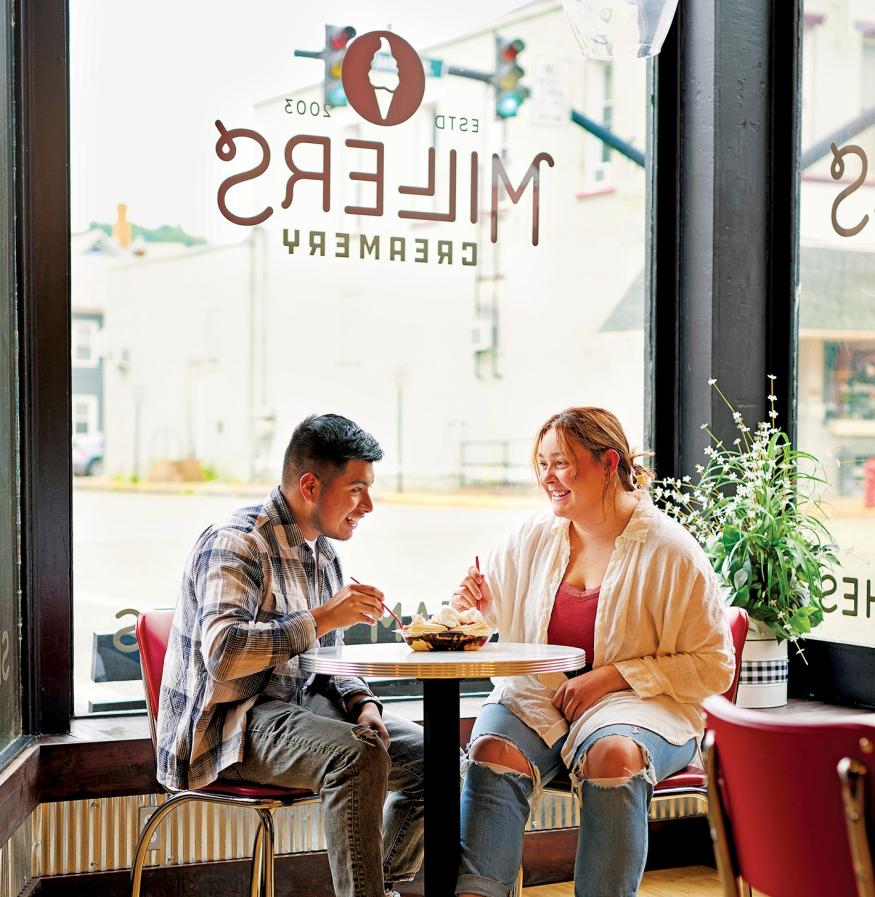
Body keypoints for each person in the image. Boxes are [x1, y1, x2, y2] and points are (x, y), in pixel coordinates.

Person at [452, 407, 735, 897]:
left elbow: (714, 665)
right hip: (540, 697)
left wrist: (615, 677)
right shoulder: (531, 536)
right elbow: (480, 617)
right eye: (541, 464)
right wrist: (468, 609)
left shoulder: (671, 550)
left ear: (608, 464)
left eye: (561, 463)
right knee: (491, 749)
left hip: (643, 709)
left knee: (612, 755)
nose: (548, 478)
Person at [156, 413, 424, 897]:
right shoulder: (238, 541)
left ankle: (376, 887)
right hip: (230, 721)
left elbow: (330, 663)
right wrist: (322, 617)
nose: (369, 506)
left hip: (297, 708)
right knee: (356, 757)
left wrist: (363, 704)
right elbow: (224, 652)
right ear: (309, 485)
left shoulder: (322, 552)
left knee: (437, 762)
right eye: (358, 489)